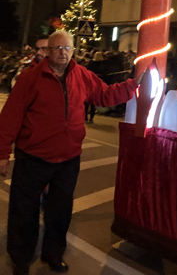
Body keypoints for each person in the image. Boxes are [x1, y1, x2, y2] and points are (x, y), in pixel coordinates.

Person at [0, 30, 140, 275]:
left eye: (67, 48)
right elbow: (10, 117)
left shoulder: (82, 76)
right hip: (32, 157)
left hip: (68, 159)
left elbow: (104, 95)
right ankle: (21, 258)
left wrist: (132, 85)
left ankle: (53, 254)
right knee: (24, 212)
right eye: (56, 48)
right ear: (48, 51)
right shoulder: (30, 78)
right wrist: (2, 154)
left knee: (60, 212)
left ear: (73, 51)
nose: (62, 53)